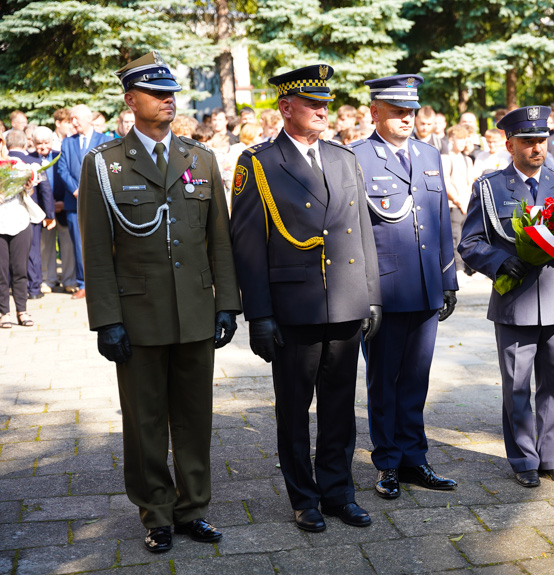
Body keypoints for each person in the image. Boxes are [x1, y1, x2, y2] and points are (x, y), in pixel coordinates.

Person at [78, 51, 241, 554]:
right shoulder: (103, 166)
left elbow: (219, 240)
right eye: (156, 92)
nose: (168, 99)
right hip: (139, 314)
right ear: (131, 101)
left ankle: (193, 508)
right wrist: (107, 320)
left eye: (171, 92)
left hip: (194, 309)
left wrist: (226, 305)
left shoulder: (200, 158)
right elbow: (97, 251)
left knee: (195, 416)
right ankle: (157, 511)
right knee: (145, 420)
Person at [230, 64, 381, 534]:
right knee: (294, 409)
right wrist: (259, 315)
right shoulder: (258, 163)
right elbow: (248, 245)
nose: (321, 110)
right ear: (285, 107)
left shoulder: (343, 158)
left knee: (339, 406)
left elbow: (363, 234)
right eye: (311, 103)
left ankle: (338, 491)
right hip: (294, 309)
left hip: (345, 302)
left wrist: (371, 295)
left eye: (325, 104)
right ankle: (304, 497)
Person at [458, 106, 554, 488]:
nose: (537, 148)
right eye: (528, 141)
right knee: (517, 385)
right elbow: (469, 242)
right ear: (509, 143)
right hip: (514, 301)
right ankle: (523, 460)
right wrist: (500, 263)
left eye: (542, 140)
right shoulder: (490, 187)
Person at [349, 74, 459, 500]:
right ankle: (388, 462)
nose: (407, 119)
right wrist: (365, 294)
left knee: (416, 378)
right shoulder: (357, 156)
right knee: (384, 380)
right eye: (397, 111)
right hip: (386, 292)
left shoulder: (429, 154)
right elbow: (355, 233)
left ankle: (415, 458)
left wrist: (448, 278)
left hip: (427, 287)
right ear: (374, 111)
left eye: (411, 111)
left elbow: (439, 220)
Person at [56, 103, 112, 299]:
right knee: (78, 244)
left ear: (88, 119)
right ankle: (83, 284)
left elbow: (107, 169)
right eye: (71, 119)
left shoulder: (105, 140)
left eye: (76, 118)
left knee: (101, 243)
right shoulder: (67, 142)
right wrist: (75, 189)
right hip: (74, 203)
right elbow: (62, 169)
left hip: (98, 202)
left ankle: (103, 283)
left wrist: (90, 189)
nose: (73, 122)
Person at [6, 129, 55, 302]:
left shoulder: (3, 163)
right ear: (26, 143)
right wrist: (49, 215)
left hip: (5, 215)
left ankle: (13, 287)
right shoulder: (34, 162)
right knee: (32, 251)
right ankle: (34, 288)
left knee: (8, 252)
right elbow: (45, 190)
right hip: (29, 214)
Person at [32, 126, 75, 295]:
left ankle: (69, 280)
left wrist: (64, 201)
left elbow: (67, 176)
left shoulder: (60, 156)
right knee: (45, 246)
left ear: (52, 141)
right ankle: (48, 280)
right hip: (43, 211)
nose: (43, 146)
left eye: (46, 142)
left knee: (68, 245)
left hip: (64, 206)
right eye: (39, 143)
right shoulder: (30, 159)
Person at [442, 124, 474, 284]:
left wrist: (467, 201)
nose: (461, 142)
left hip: (466, 205)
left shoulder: (467, 159)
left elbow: (470, 183)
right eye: (458, 139)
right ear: (451, 139)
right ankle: (458, 269)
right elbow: (446, 182)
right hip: (453, 205)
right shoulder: (446, 158)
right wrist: (457, 200)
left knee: (467, 237)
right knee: (455, 238)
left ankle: (468, 268)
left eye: (464, 139)